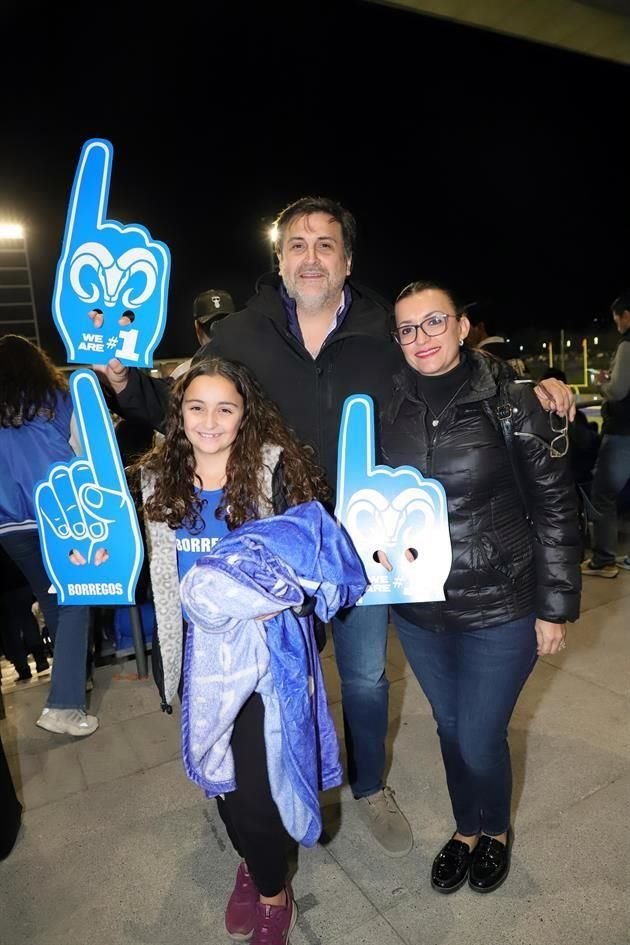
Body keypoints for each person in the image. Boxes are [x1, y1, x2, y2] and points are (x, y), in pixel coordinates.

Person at [97, 196, 576, 858]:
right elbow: (186, 405)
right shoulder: (241, 333)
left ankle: (369, 784)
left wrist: (539, 380)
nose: (311, 255)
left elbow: (450, 369)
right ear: (279, 259)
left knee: (364, 679)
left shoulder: (384, 329)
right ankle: (266, 802)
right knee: (263, 683)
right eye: (298, 243)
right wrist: (126, 385)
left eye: (326, 244)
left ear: (347, 261)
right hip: (270, 544)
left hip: (360, 549)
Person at [379, 280, 581, 894]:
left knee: (477, 732)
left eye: (434, 322)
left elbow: (555, 510)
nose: (421, 338)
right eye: (407, 328)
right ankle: (466, 828)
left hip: (502, 602)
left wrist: (555, 609)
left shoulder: (516, 400)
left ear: (463, 326)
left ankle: (494, 830)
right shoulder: (387, 407)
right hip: (420, 607)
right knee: (448, 726)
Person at [131, 358, 342, 944]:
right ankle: (251, 863)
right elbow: (157, 575)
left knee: (255, 792)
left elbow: (317, 558)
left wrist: (291, 598)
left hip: (264, 659)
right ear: (179, 413)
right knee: (219, 781)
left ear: (245, 413)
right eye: (196, 407)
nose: (210, 421)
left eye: (225, 408)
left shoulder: (274, 472)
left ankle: (274, 894)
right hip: (200, 660)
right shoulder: (154, 480)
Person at [0, 335, 97, 737]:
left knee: (53, 600)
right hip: (60, 512)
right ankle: (64, 704)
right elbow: (85, 450)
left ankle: (76, 677)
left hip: (8, 524)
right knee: (77, 598)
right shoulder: (58, 398)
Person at [581, 290, 630, 578]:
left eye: (617, 319)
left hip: (623, 432)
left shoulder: (627, 343)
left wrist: (603, 384)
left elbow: (618, 391)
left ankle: (603, 559)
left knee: (602, 494)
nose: (617, 325)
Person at [0, 543, 50, 682]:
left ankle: (22, 667)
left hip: (3, 589)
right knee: (27, 620)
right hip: (21, 580)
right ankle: (40, 660)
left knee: (9, 630)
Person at [170, 288, 236, 380]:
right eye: (210, 328)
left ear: (197, 328)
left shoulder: (183, 375)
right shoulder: (254, 363)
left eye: (223, 327)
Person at [465, 301, 528, 376]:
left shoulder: (476, 359)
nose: (463, 332)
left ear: (480, 327)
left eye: (466, 326)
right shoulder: (514, 354)